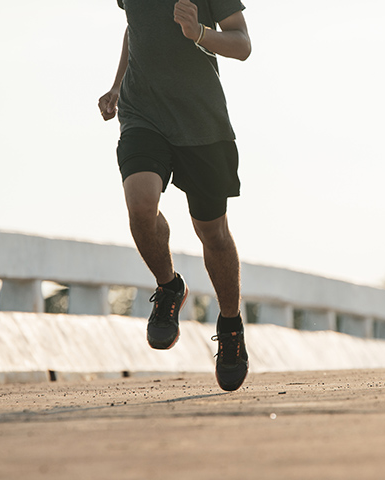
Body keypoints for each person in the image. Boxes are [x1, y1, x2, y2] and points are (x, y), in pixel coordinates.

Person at [98, 0, 251, 392]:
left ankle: (230, 327)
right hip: (143, 114)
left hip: (202, 122)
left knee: (213, 233)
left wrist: (199, 33)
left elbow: (242, 44)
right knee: (141, 206)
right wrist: (116, 86)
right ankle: (169, 286)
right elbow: (136, 29)